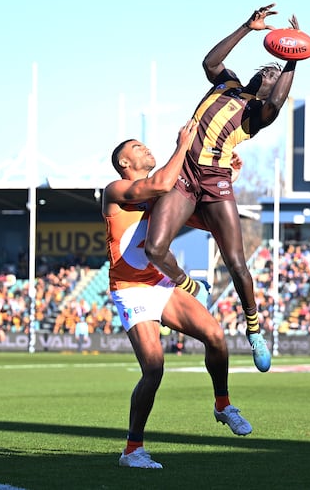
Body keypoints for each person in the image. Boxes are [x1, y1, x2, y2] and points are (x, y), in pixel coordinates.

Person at [144, 3, 300, 372]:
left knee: (236, 263)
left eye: (276, 74)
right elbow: (209, 62)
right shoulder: (225, 82)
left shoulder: (255, 115)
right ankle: (190, 287)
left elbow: (277, 102)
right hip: (183, 175)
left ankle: (254, 329)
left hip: (215, 182)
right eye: (271, 69)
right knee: (155, 247)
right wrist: (247, 27)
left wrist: (293, 60)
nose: (271, 72)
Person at [104, 120, 252, 470]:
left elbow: (201, 206)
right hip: (132, 288)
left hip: (159, 283)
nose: (145, 148)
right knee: (154, 369)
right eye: (136, 147)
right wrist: (184, 145)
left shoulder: (162, 194)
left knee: (215, 335)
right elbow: (163, 182)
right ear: (124, 163)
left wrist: (227, 176)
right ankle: (132, 450)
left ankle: (222, 404)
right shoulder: (116, 188)